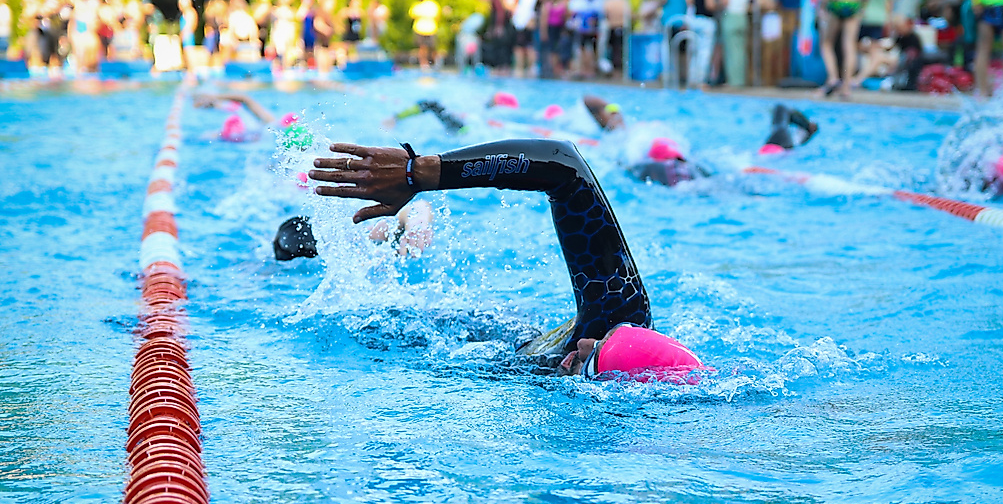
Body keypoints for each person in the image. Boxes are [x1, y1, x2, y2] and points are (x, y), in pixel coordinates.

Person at [307, 138, 704, 380]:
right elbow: (563, 165)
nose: (583, 342)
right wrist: (418, 172)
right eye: (599, 341)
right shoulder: (617, 313)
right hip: (496, 333)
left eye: (595, 357)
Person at [273, 199, 435, 261]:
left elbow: (417, 207)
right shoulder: (355, 240)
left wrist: (416, 221)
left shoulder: (352, 240)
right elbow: (417, 206)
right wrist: (417, 223)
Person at [818, 0, 867, 97]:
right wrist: (863, 4)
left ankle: (833, 78)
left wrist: (823, 4)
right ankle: (846, 87)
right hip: (853, 2)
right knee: (849, 46)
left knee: (826, 43)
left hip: (837, 1)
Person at [409, 0, 440, 69]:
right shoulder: (417, 6)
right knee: (422, 48)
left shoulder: (431, 4)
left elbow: (437, 16)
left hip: (430, 29)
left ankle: (434, 62)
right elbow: (412, 15)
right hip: (420, 29)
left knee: (432, 47)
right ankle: (424, 64)